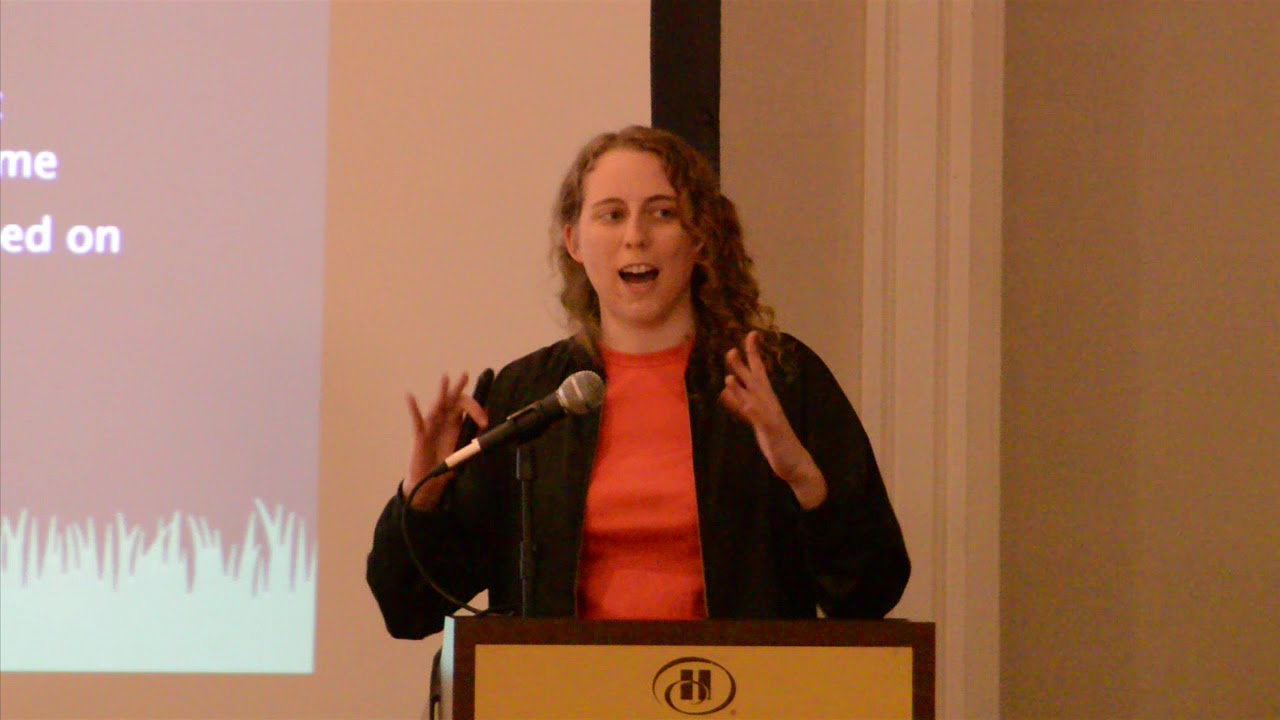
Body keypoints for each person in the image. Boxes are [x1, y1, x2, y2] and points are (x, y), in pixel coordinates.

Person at [366, 125, 909, 639]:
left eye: (662, 213)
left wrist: (806, 482)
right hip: (565, 694)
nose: (636, 238)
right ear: (574, 241)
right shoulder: (528, 396)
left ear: (699, 238)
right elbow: (408, 609)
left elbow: (871, 592)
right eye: (612, 215)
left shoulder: (779, 379)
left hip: (740, 691)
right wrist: (422, 495)